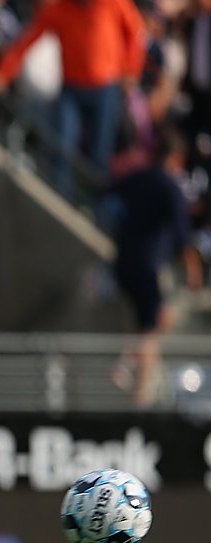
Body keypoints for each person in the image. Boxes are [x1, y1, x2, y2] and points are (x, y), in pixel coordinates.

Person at [0, 0, 146, 197]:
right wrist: (1, 74)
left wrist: (131, 69)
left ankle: (94, 206)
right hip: (71, 88)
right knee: (61, 147)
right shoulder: (58, 9)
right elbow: (26, 42)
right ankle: (60, 197)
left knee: (99, 155)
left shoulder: (112, 3)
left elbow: (135, 31)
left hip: (105, 89)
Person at [110, 131, 202, 406]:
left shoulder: (136, 178)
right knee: (154, 327)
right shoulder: (168, 185)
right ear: (174, 158)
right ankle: (131, 379)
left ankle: (130, 372)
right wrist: (192, 268)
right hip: (149, 266)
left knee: (148, 325)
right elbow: (183, 234)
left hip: (123, 262)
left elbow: (107, 194)